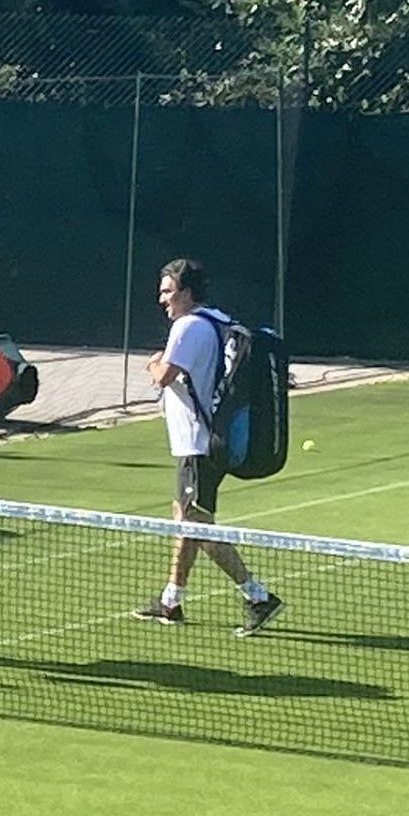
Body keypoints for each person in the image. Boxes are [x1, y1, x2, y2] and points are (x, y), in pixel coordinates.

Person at [134, 259, 284, 636]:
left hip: (198, 445)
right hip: (201, 442)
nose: (162, 299)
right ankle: (171, 600)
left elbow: (165, 376)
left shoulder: (186, 327)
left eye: (167, 291)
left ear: (185, 292)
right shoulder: (216, 320)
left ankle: (257, 596)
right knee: (185, 520)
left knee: (197, 526)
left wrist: (153, 363)